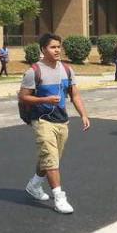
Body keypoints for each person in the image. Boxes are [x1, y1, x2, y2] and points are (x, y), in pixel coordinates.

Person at [20, 33, 91, 214]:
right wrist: (44, 99)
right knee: (51, 158)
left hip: (62, 120)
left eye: (59, 46)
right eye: (53, 47)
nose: (57, 50)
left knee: (50, 158)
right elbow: (23, 96)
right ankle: (59, 198)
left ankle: (34, 185)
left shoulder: (67, 70)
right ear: (43, 49)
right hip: (42, 120)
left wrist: (83, 114)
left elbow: (74, 94)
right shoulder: (34, 71)